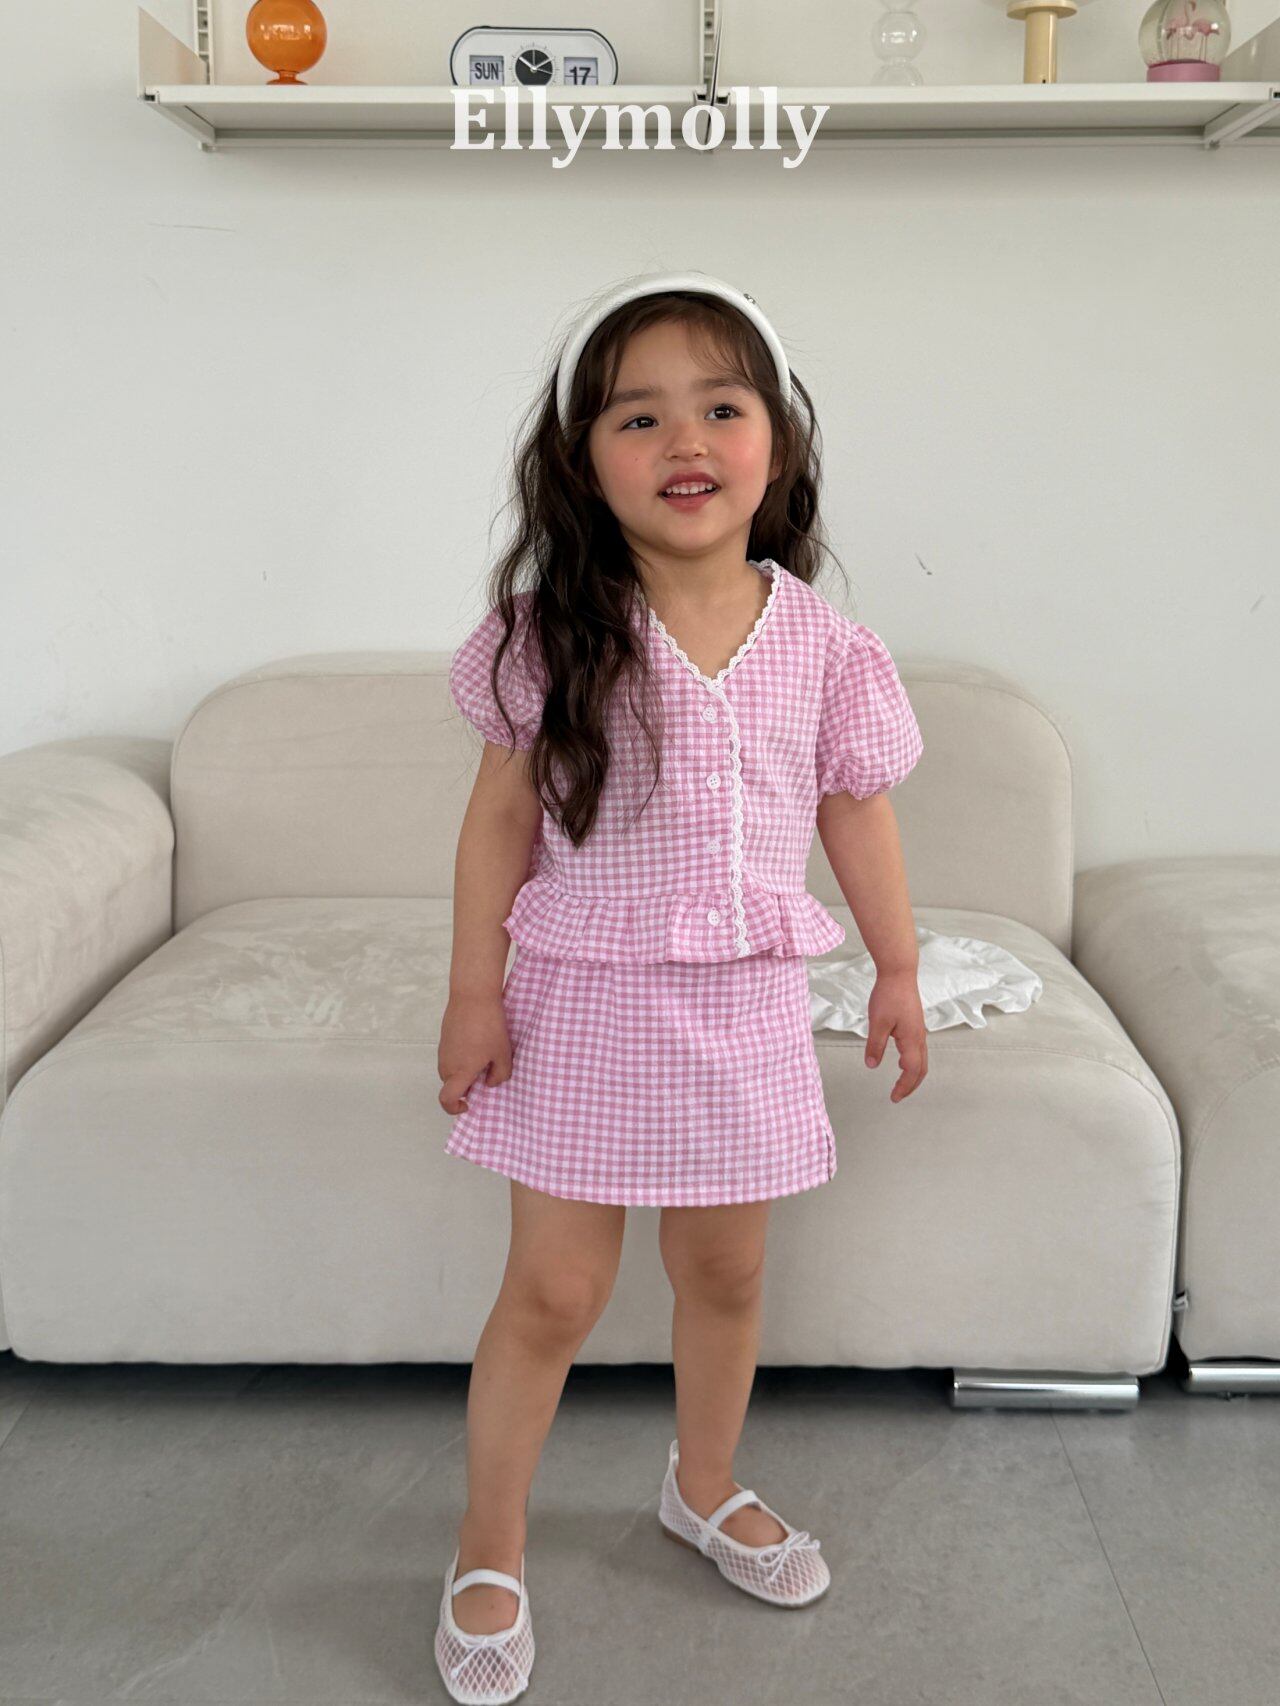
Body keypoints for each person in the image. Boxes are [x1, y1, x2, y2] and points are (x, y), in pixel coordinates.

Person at [433, 270, 928, 1704]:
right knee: (553, 1291)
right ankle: (488, 1542)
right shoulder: (549, 633)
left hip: (746, 1013)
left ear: (777, 439)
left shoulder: (826, 645)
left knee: (726, 1272)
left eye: (720, 406)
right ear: (585, 459)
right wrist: (474, 991)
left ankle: (701, 1484)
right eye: (638, 416)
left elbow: (857, 810)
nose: (684, 440)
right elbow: (499, 819)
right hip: (582, 1005)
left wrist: (898, 966)